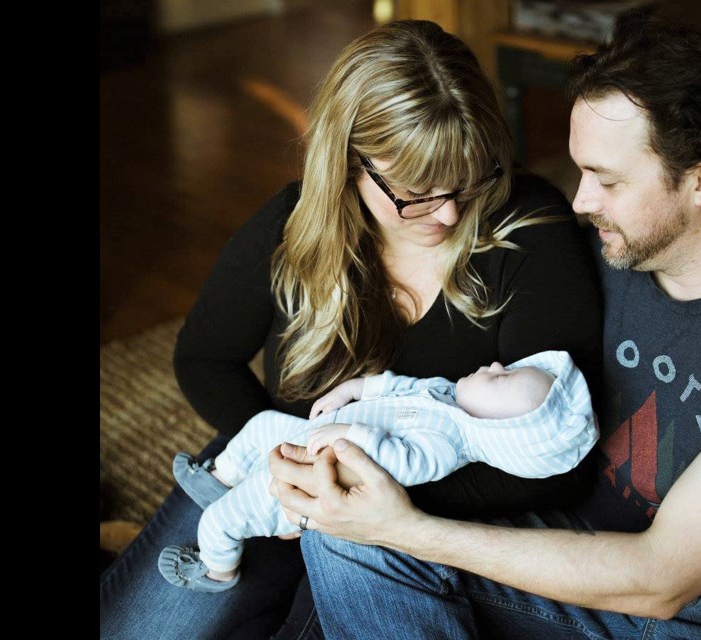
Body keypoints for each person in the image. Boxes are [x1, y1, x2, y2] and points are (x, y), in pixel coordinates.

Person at [271, 9, 701, 639]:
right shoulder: (610, 249)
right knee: (343, 527)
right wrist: (374, 403)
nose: (582, 201)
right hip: (576, 546)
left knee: (369, 536)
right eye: (581, 170)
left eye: (607, 180)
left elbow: (661, 578)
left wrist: (404, 529)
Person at [98, 18, 602, 639]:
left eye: (467, 178)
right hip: (280, 467)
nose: (446, 213)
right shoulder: (293, 224)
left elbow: (565, 455)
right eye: (416, 193)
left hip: (414, 519)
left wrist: (375, 506)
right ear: (349, 162)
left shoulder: (529, 231)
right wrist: (281, 462)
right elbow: (204, 357)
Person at [159, 350, 596, 593]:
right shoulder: (445, 394)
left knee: (220, 521)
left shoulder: (448, 447)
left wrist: (352, 430)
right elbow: (398, 386)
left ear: (501, 428)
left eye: (502, 380)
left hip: (317, 481)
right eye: (511, 367)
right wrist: (354, 389)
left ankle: (217, 570)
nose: (498, 366)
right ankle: (220, 476)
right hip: (317, 438)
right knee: (262, 425)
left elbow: (400, 462)